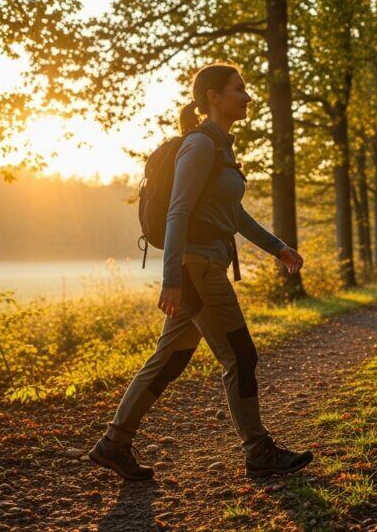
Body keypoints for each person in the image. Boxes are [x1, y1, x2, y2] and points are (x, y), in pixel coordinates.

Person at [89, 62, 313, 480]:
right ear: (213, 96)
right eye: (238, 89)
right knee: (240, 355)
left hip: (205, 265)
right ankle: (258, 450)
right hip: (198, 268)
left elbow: (236, 214)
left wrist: (278, 248)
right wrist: (171, 279)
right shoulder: (200, 146)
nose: (246, 97)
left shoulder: (222, 147)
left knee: (170, 359)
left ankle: (113, 444)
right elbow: (178, 211)